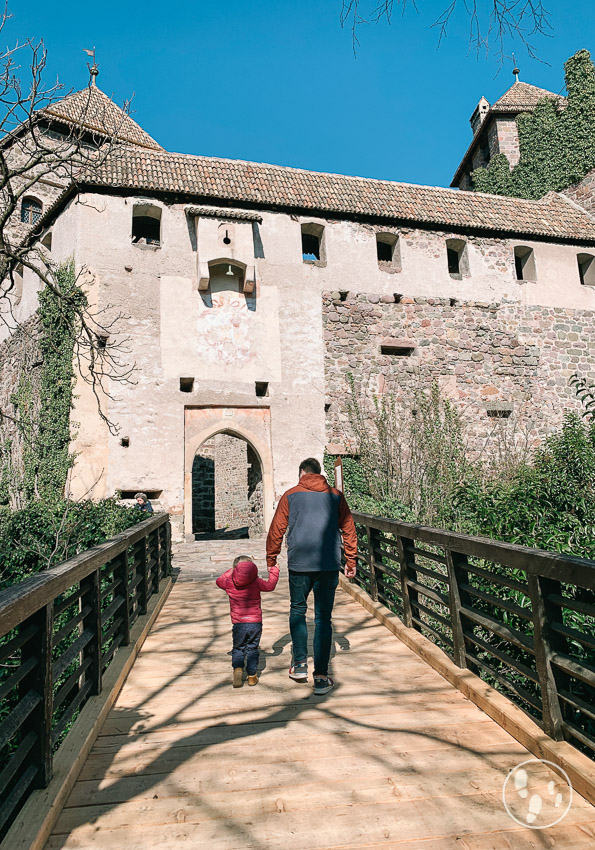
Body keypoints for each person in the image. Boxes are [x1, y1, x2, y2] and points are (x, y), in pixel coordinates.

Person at [266, 457, 357, 695]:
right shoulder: (336, 496)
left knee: (297, 610)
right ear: (320, 473)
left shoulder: (290, 495)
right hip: (328, 564)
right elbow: (348, 528)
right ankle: (321, 677)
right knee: (323, 619)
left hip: (299, 564)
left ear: (301, 473)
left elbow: (277, 528)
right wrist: (351, 560)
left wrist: (271, 559)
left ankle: (298, 665)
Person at [216, 554, 280, 688]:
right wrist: (274, 570)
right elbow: (270, 586)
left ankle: (238, 670)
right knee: (252, 648)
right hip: (255, 623)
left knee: (238, 648)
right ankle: (252, 676)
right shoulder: (256, 582)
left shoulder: (229, 583)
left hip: (238, 623)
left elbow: (219, 581)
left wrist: (232, 571)